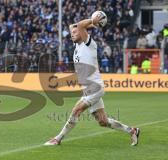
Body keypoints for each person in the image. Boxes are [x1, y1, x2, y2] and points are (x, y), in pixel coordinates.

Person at [44, 13, 140, 146]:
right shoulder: (77, 46)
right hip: (87, 88)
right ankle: (132, 130)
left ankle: (57, 139)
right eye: (72, 33)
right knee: (103, 121)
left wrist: (92, 21)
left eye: (76, 32)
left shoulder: (89, 44)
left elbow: (79, 25)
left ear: (83, 33)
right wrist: (92, 23)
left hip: (94, 87)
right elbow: (74, 25)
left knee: (76, 111)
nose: (73, 33)